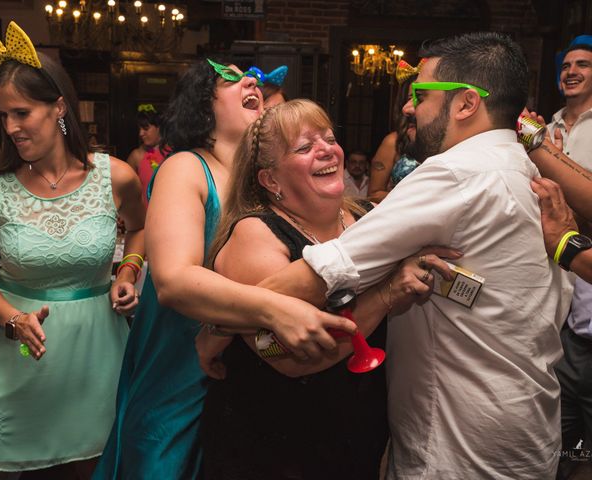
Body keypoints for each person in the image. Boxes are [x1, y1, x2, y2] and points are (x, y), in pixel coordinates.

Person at [259, 32, 573, 479]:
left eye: (421, 94)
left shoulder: (458, 172)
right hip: (523, 425)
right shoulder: (523, 167)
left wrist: (220, 318)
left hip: (459, 442)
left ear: (466, 103)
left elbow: (327, 269)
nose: (409, 107)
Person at [94, 60, 356, 480]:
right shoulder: (186, 167)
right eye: (229, 79)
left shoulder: (266, 179)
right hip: (182, 359)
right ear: (203, 105)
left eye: (251, 79)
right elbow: (175, 281)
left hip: (249, 365)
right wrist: (275, 309)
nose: (251, 81)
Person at [198, 99, 458, 480]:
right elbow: (284, 355)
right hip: (272, 435)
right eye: (304, 147)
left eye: (329, 138)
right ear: (270, 180)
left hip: (356, 425)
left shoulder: (369, 217)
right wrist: (386, 294)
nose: (327, 150)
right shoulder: (254, 235)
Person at [0, 21, 145, 479]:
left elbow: (141, 230)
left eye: (21, 113)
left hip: (95, 351)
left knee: (85, 469)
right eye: (3, 116)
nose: (11, 127)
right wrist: (14, 320)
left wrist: (126, 273)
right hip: (15, 351)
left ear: (59, 106)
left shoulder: (115, 176)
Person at [543, 34, 592, 478]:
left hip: (583, 263)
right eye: (566, 65)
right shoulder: (550, 124)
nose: (571, 71)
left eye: (583, 65)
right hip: (563, 292)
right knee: (565, 426)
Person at [368, 69, 420, 202]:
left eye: (421, 98)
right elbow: (374, 194)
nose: (413, 104)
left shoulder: (448, 141)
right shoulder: (393, 142)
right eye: (410, 98)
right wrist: (413, 200)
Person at [126, 104, 170, 204]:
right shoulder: (136, 156)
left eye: (145, 128)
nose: (141, 133)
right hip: (144, 216)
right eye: (139, 129)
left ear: (158, 127)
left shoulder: (173, 153)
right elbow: (126, 191)